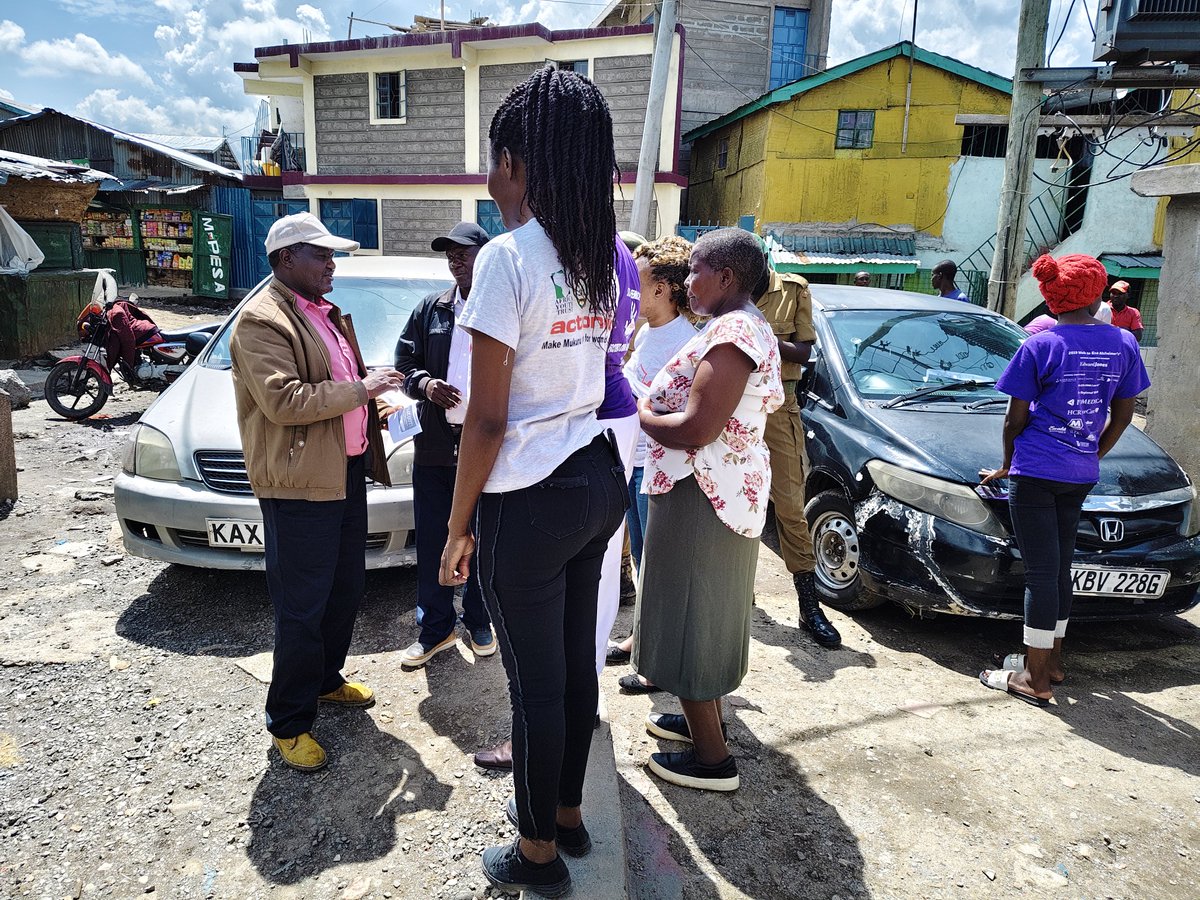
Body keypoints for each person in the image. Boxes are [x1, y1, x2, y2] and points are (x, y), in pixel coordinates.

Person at [439, 66, 628, 897]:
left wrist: (457, 528)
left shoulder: (507, 259)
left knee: (533, 690)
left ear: (515, 162)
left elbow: (486, 421)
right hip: (595, 477)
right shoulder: (600, 257)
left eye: (494, 159)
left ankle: (538, 854)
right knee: (575, 670)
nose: (489, 177)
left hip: (530, 496)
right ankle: (571, 817)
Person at [229, 212, 404, 772]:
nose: (332, 265)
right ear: (286, 258)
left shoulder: (322, 311)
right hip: (300, 484)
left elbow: (341, 385)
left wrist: (376, 400)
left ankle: (325, 680)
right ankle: (289, 720)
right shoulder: (261, 320)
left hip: (342, 473)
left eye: (333, 256)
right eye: (321, 255)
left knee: (344, 588)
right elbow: (285, 401)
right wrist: (361, 390)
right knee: (302, 605)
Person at [633, 228, 784, 791]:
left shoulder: (735, 331)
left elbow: (698, 427)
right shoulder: (741, 325)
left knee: (692, 616)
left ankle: (713, 760)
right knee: (704, 610)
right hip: (715, 491)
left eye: (695, 270)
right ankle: (704, 725)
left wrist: (639, 410)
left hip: (704, 493)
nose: (687, 280)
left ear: (726, 276)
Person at [980, 254, 1149, 706]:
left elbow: (1014, 420)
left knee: (1039, 573)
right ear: (1095, 297)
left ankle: (1034, 680)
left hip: (1036, 470)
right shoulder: (1123, 342)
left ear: (1052, 300)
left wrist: (1006, 463)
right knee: (1059, 569)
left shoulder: (1040, 345)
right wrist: (1091, 454)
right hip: (1081, 474)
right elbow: (1124, 414)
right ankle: (1052, 662)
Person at [394, 222, 495, 668]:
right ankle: (436, 628)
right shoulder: (431, 309)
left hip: (487, 449)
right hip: (436, 448)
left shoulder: (503, 305)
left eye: (462, 253)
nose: (455, 261)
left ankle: (479, 620)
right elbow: (404, 362)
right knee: (435, 538)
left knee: (483, 538)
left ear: (485, 256)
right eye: (449, 255)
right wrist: (426, 384)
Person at [606, 235, 697, 683]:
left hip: (660, 466)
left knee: (660, 565)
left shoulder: (687, 343)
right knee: (642, 558)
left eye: (636, 281)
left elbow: (679, 410)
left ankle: (658, 662)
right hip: (633, 460)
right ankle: (642, 638)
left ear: (661, 288)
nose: (628, 289)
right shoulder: (645, 332)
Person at [755, 262, 843, 647]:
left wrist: (759, 335)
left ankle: (809, 605)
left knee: (790, 508)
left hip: (779, 408)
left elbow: (803, 352)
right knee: (733, 503)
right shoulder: (725, 286)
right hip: (731, 407)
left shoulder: (792, 290)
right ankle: (736, 593)